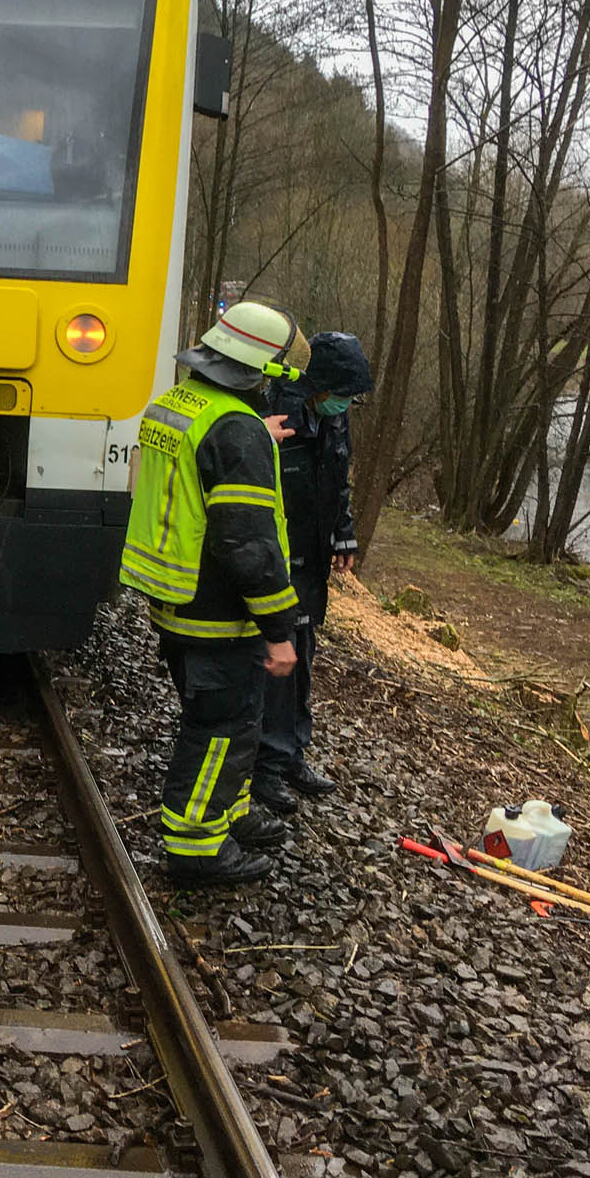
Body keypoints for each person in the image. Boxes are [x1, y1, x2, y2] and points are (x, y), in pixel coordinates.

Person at [119, 301, 307, 887]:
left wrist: (251, 438)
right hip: (219, 612)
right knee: (221, 727)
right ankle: (197, 848)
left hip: (177, 595)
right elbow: (246, 544)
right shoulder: (237, 430)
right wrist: (279, 630)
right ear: (258, 369)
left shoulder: (178, 404)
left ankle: (229, 811)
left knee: (232, 721)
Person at [253, 330, 374, 815]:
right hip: (280, 556)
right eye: (343, 393)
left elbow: (338, 480)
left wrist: (343, 534)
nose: (347, 405)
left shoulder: (335, 418)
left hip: (313, 557)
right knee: (277, 659)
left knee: (302, 656)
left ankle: (292, 754)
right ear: (320, 384)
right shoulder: (281, 414)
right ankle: (266, 764)